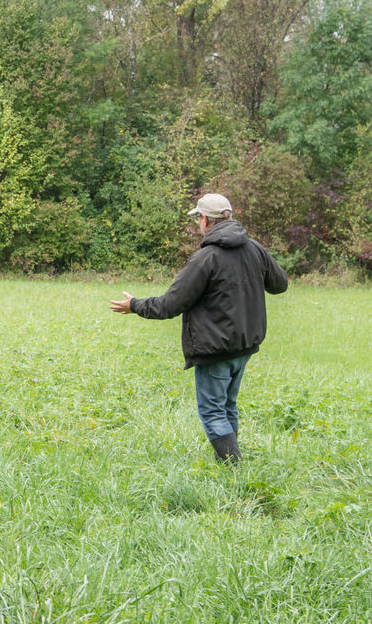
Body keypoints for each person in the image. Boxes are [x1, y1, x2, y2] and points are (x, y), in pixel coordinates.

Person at [110, 193, 289, 463]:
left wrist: (134, 304)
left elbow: (169, 304)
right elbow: (280, 284)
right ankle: (228, 462)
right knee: (227, 405)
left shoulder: (206, 258)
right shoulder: (255, 249)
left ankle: (235, 469)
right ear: (228, 216)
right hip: (244, 345)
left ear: (205, 220)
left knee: (213, 411)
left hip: (215, 347)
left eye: (198, 219)